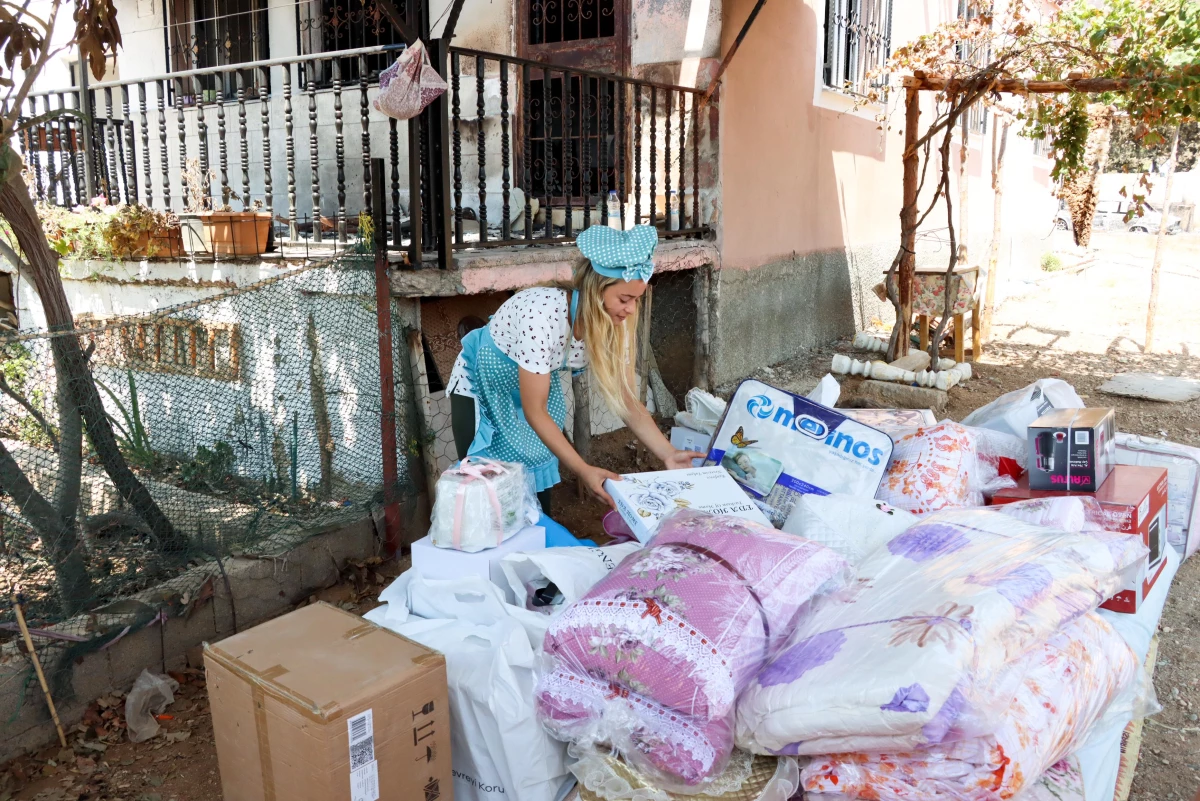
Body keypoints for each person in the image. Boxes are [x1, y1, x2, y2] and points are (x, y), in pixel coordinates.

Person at [445, 224, 702, 512]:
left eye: (636, 300)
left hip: (533, 392)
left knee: (533, 500)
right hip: (483, 390)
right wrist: (583, 468)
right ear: (596, 292)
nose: (630, 309)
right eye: (624, 299)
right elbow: (535, 411)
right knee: (484, 492)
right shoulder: (540, 316)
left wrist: (668, 453)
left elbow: (628, 399)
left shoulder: (615, 324)